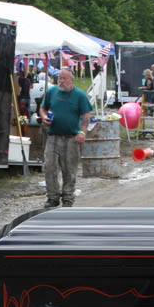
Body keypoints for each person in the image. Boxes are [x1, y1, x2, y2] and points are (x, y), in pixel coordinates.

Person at [40, 68, 93, 208]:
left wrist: (83, 132)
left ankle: (68, 198)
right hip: (53, 136)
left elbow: (86, 116)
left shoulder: (80, 95)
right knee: (49, 166)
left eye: (64, 78)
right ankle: (52, 197)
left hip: (71, 138)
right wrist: (44, 117)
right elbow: (42, 108)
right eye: (59, 78)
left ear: (71, 80)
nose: (61, 81)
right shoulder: (52, 92)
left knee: (69, 170)